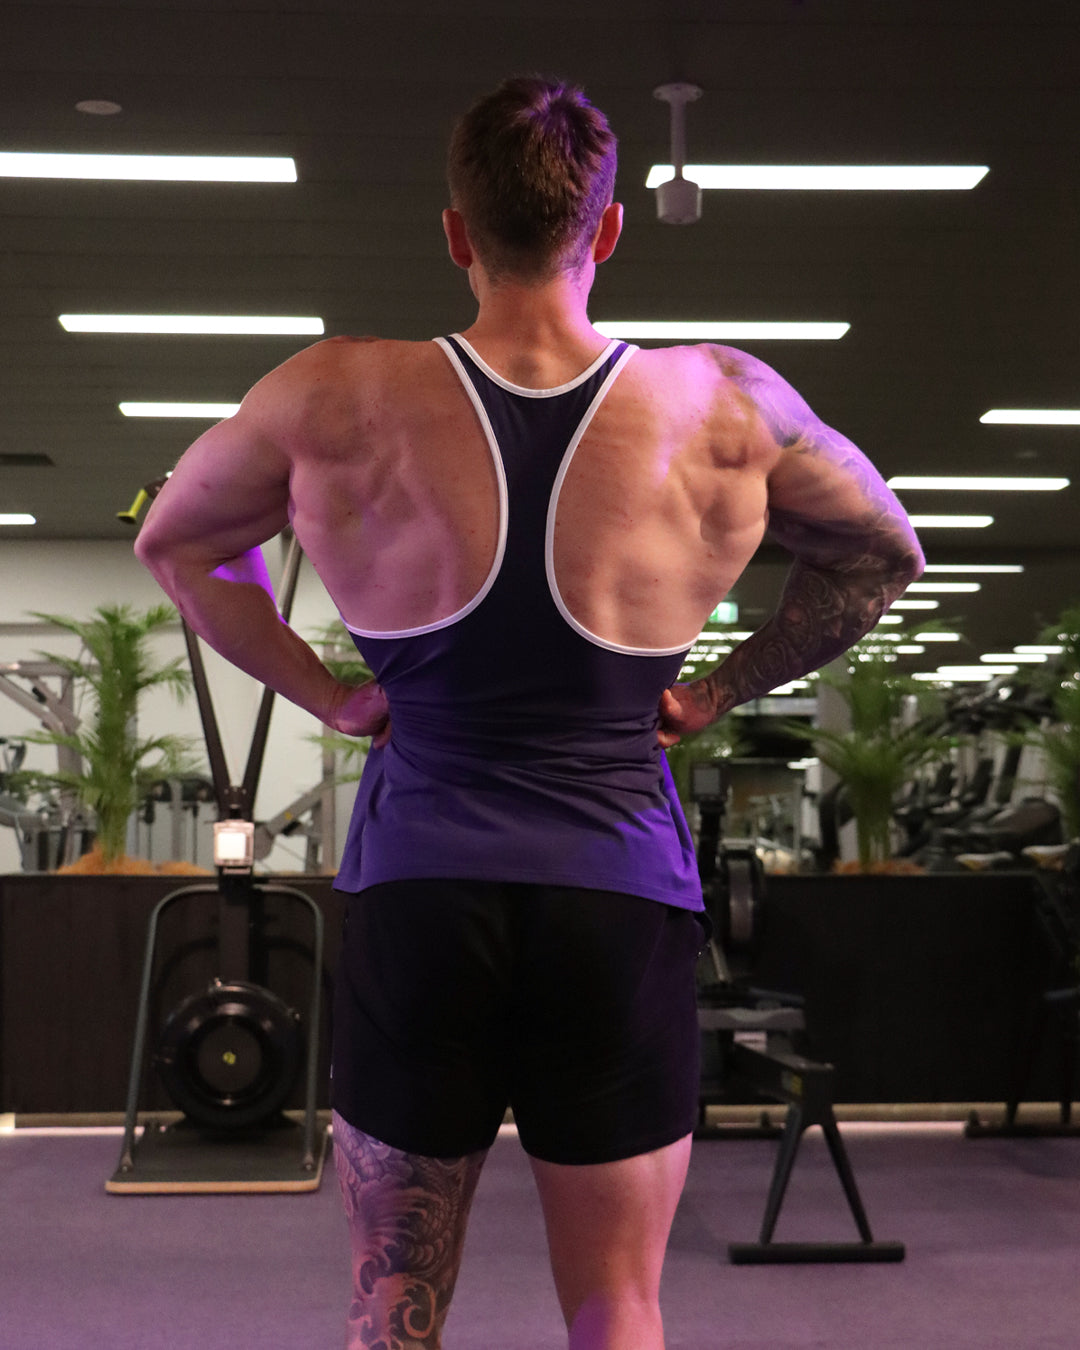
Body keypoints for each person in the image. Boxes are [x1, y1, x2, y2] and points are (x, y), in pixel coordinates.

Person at [134, 75, 922, 1350]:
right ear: (606, 229)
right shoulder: (725, 402)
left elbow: (178, 546)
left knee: (392, 1308)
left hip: (421, 889)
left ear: (456, 230)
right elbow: (883, 554)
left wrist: (332, 693)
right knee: (618, 1303)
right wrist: (717, 690)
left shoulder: (330, 393)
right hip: (618, 895)